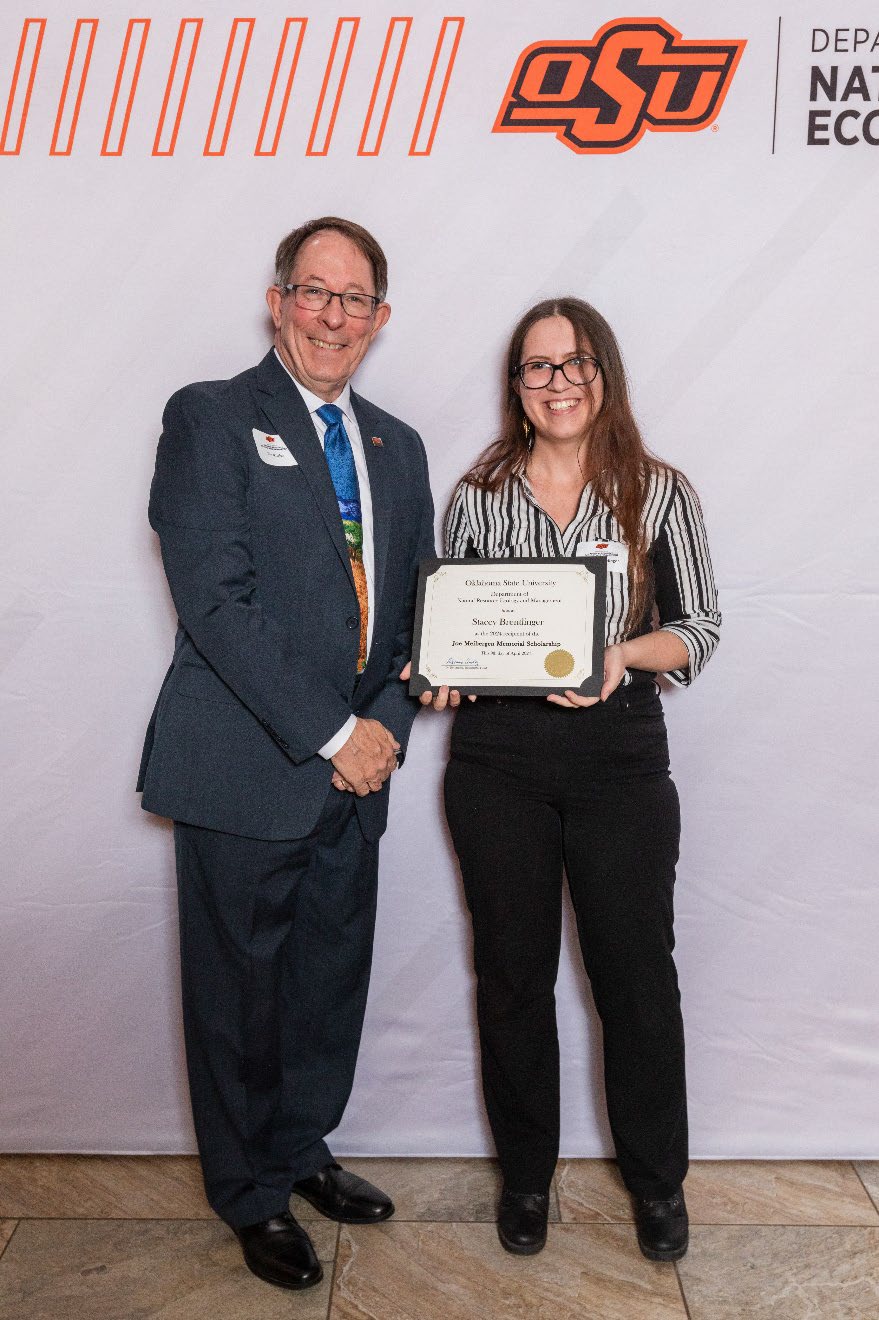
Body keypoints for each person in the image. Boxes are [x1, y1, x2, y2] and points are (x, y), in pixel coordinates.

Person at [137, 217, 434, 1290]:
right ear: (278, 301)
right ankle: (250, 1194)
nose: (334, 316)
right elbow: (217, 604)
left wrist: (386, 731)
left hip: (359, 779)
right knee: (238, 996)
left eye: (356, 300)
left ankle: (301, 1152)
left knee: (324, 984)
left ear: (380, 320)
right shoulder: (212, 417)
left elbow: (415, 616)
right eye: (315, 292)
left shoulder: (398, 444)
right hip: (246, 769)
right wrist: (332, 734)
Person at [425, 297, 720, 1261]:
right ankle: (524, 1180)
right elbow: (457, 627)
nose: (556, 383)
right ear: (515, 386)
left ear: (605, 374)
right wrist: (442, 668)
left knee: (634, 976)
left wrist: (622, 653)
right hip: (498, 764)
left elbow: (701, 627)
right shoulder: (476, 495)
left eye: (574, 363)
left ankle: (655, 1181)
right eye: (536, 367)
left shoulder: (661, 491)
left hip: (619, 760)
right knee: (510, 976)